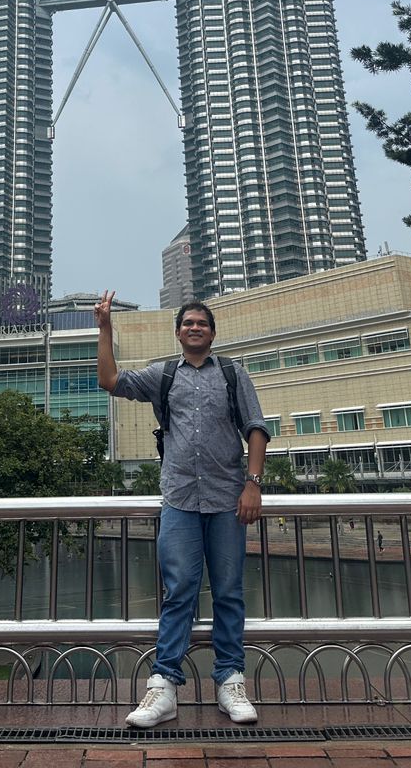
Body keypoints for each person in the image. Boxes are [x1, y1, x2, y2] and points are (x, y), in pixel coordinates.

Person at [95, 290, 270, 727]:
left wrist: (252, 485)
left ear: (212, 333)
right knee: (179, 593)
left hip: (228, 500)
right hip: (179, 500)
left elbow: (256, 428)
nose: (195, 328)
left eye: (202, 323)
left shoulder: (232, 373)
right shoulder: (163, 374)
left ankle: (230, 680)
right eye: (188, 323)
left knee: (228, 592)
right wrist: (105, 328)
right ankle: (164, 686)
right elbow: (110, 380)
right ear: (178, 333)